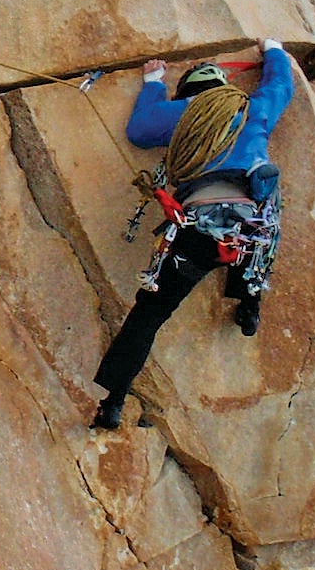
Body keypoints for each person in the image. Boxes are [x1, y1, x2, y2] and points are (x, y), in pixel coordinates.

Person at [91, 38, 295, 431]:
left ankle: (112, 402)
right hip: (248, 225)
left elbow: (140, 130)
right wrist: (272, 50)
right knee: (264, 211)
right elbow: (280, 86)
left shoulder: (184, 112)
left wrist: (153, 82)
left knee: (151, 312)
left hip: (197, 226)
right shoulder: (252, 108)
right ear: (222, 86)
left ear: (189, 91)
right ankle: (250, 304)